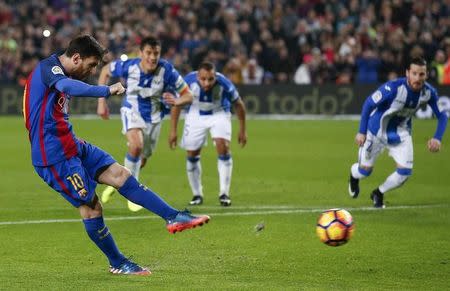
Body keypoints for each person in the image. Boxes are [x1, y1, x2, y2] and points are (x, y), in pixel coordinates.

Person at [22, 35, 210, 275]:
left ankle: (173, 216)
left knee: (121, 174)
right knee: (91, 207)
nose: (91, 71)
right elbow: (67, 87)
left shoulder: (59, 69)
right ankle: (118, 263)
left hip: (71, 144)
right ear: (76, 58)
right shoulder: (50, 69)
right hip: (54, 158)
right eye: (90, 66)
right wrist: (106, 90)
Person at [96, 36, 193, 212]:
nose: (152, 57)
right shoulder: (129, 66)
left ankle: (117, 181)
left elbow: (188, 95)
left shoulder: (167, 70)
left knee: (142, 159)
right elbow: (105, 71)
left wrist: (178, 102)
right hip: (131, 111)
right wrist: (101, 102)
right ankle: (133, 193)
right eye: (148, 53)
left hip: (154, 119)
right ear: (141, 53)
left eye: (156, 53)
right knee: (136, 145)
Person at [348, 57, 448, 208]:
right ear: (408, 73)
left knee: (404, 173)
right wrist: (361, 132)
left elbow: (442, 116)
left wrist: (437, 138)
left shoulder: (429, 92)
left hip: (401, 134)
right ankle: (354, 175)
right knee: (364, 172)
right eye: (414, 73)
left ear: (426, 75)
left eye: (421, 74)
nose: (417, 78)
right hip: (376, 132)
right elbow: (369, 103)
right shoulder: (393, 88)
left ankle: (379, 193)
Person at [169, 61, 247, 206]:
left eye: (210, 79)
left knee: (222, 146)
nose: (207, 83)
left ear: (215, 76)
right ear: (198, 76)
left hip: (219, 113)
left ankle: (224, 193)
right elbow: (176, 104)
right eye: (203, 79)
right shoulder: (188, 81)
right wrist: (173, 130)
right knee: (192, 153)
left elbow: (239, 104)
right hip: (195, 114)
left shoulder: (224, 83)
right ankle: (197, 194)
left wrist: (243, 130)